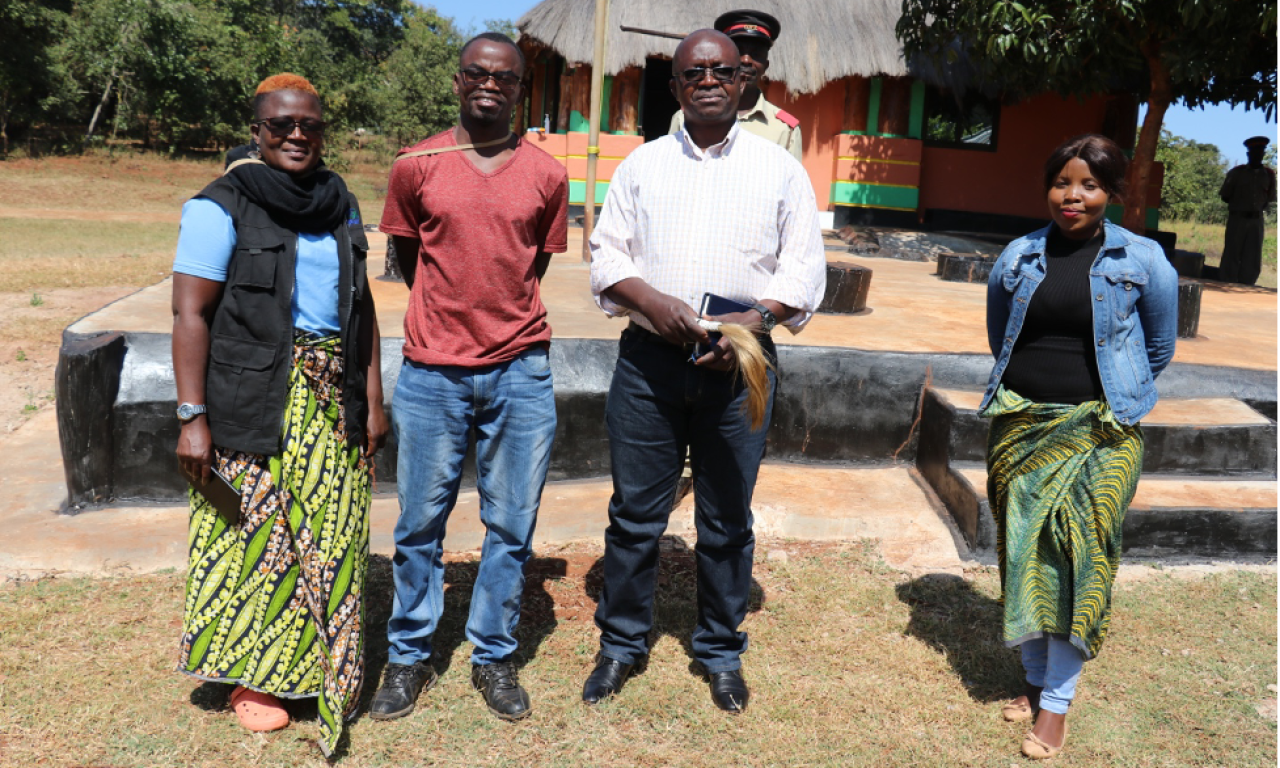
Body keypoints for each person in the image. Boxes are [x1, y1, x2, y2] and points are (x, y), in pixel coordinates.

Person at [584, 29, 826, 713]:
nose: (711, 80)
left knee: (726, 519)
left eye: (723, 70)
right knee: (635, 516)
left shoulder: (778, 170)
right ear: (677, 87)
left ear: (743, 81)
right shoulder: (642, 165)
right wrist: (651, 301)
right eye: (696, 72)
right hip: (649, 365)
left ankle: (719, 650)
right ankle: (622, 645)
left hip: (739, 361)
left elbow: (803, 271)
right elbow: (607, 259)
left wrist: (749, 325)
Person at [171, 73, 385, 757]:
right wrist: (191, 415)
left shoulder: (340, 201)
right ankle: (258, 681)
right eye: (281, 125)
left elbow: (364, 311)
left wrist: (374, 399)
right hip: (252, 394)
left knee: (335, 531)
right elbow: (190, 311)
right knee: (256, 538)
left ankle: (324, 668)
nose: (297, 136)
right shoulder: (220, 205)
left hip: (335, 396)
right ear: (257, 130)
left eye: (310, 125)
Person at [369, 32, 568, 723]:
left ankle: (493, 654)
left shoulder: (546, 174)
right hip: (432, 374)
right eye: (477, 74)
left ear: (520, 91)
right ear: (457, 83)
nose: (490, 85)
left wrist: (496, 323)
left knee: (510, 525)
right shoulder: (416, 164)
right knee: (419, 523)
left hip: (521, 369)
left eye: (505, 78)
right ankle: (408, 655)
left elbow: (529, 266)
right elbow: (407, 253)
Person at [982, 134, 1178, 759]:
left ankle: (1057, 708)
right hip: (1021, 426)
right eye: (1063, 183)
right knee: (1025, 556)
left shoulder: (1143, 260)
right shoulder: (1017, 255)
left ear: (1112, 194)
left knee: (1083, 561)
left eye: (1089, 185)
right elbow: (1000, 336)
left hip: (1102, 432)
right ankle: (1036, 684)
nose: (1073, 197)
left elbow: (1158, 349)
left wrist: (1108, 396)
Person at [668, 10, 802, 163]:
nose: (746, 60)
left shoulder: (785, 129)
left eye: (756, 54)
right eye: (738, 52)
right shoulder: (684, 118)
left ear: (766, 66)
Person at [1218, 135, 1276, 285]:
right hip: (1237, 218)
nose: (1258, 155)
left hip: (1256, 220)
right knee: (1232, 252)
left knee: (1253, 255)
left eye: (1261, 152)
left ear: (1263, 154)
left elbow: (1270, 198)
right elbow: (1225, 195)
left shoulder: (1269, 175)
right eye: (1254, 152)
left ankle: (1247, 285)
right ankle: (1227, 283)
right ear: (1248, 154)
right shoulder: (1237, 173)